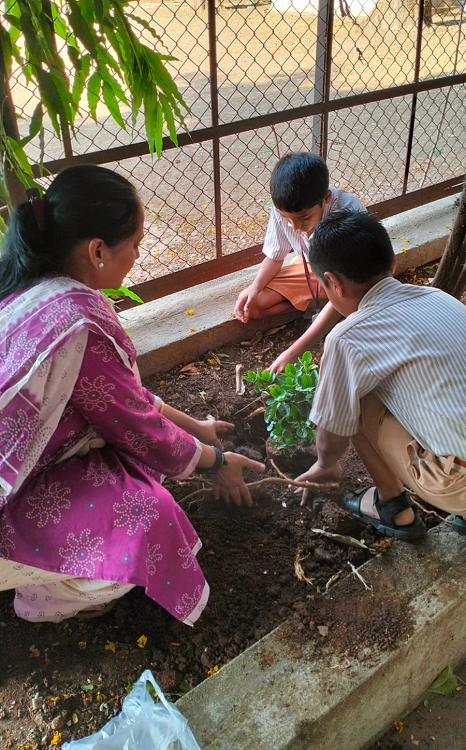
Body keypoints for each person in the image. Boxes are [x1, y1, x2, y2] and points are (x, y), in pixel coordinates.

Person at [0, 165, 264, 624]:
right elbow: (138, 427)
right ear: (97, 250)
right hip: (14, 493)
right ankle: (46, 595)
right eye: (137, 244)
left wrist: (195, 429)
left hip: (26, 468)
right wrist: (216, 463)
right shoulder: (75, 320)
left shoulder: (30, 284)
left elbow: (121, 398)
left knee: (142, 470)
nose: (140, 254)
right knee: (152, 515)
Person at [292, 210, 466, 541]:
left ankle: (393, 507)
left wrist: (326, 463)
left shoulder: (347, 338)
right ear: (393, 265)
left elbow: (332, 434)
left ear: (335, 283)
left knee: (352, 396)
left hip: (458, 481)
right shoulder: (437, 297)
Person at [233, 153, 365, 373]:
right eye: (286, 218)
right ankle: (313, 304)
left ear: (326, 199)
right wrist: (254, 287)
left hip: (348, 277)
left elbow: (344, 285)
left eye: (303, 218)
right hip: (314, 270)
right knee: (253, 307)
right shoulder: (285, 210)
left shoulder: (346, 214)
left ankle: (327, 307)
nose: (294, 227)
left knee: (347, 301)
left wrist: (294, 351)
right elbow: (275, 256)